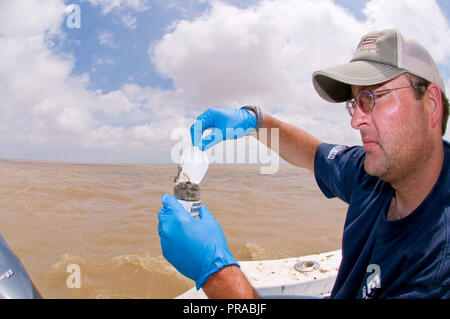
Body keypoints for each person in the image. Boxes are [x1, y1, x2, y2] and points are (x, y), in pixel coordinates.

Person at [158, 29, 449, 298]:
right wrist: (255, 121)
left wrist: (215, 273)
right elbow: (311, 152)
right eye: (355, 102)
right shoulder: (371, 172)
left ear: (431, 104)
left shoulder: (438, 270)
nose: (355, 119)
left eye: (372, 98)